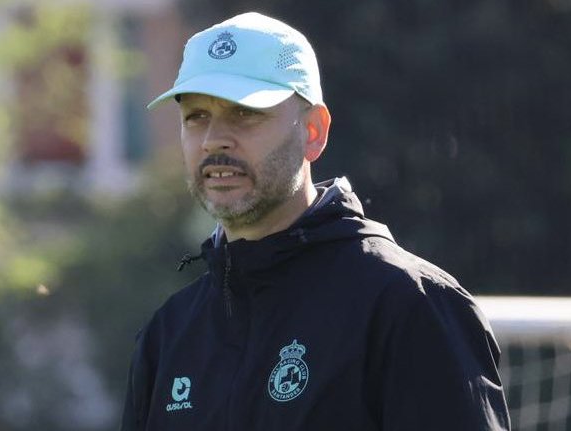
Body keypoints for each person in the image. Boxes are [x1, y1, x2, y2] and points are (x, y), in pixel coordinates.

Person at [120, 12, 510, 431]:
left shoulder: (408, 304)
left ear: (313, 131)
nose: (215, 138)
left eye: (245, 112)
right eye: (196, 116)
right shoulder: (169, 334)